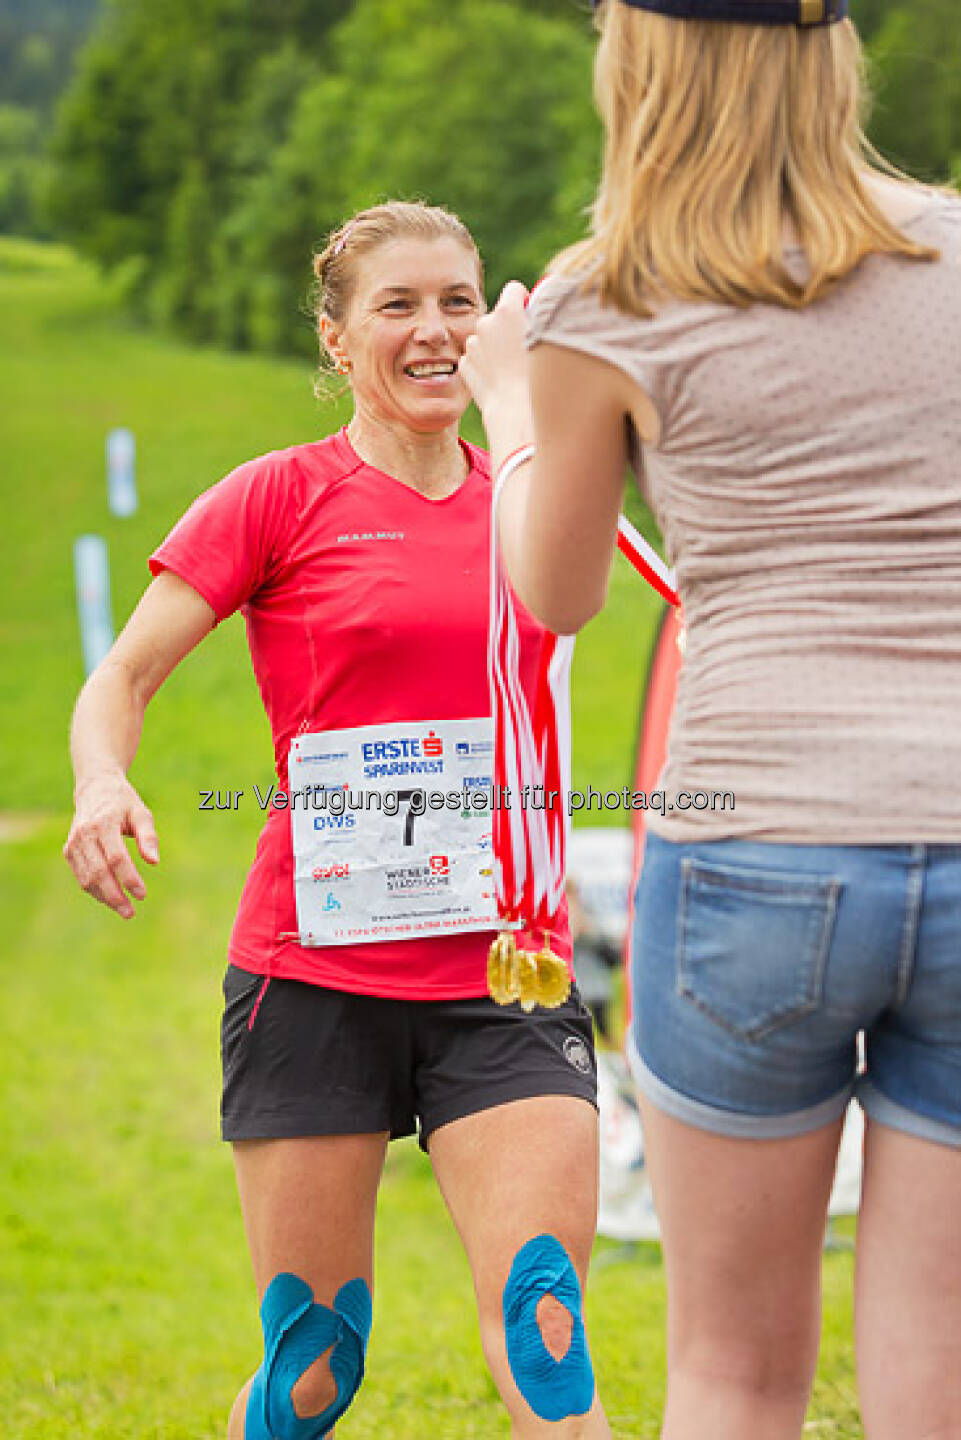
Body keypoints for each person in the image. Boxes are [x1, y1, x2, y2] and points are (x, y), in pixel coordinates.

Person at [459, 2, 961, 1437]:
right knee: (937, 1375)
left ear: (643, 63)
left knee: (733, 1377)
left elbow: (555, 596)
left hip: (753, 850)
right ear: (834, 54)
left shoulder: (604, 294)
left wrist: (512, 410)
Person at [63, 200, 612, 1440]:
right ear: (335, 336)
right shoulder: (276, 498)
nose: (434, 332)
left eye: (459, 303)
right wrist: (105, 782)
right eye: (397, 306)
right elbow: (121, 679)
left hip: (504, 975)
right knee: (314, 1368)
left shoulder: (533, 500)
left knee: (548, 1331)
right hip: (311, 978)